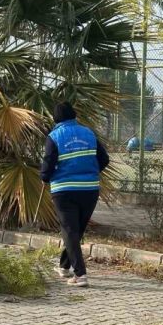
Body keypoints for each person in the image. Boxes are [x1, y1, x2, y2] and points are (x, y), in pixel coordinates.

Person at [40, 102, 109, 287]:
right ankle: (64, 266)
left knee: (70, 231)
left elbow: (48, 163)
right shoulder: (89, 133)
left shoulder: (54, 136)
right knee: (75, 231)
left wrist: (45, 177)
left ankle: (80, 275)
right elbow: (104, 159)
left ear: (56, 118)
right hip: (89, 190)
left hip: (64, 190)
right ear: (74, 115)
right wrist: (91, 171)